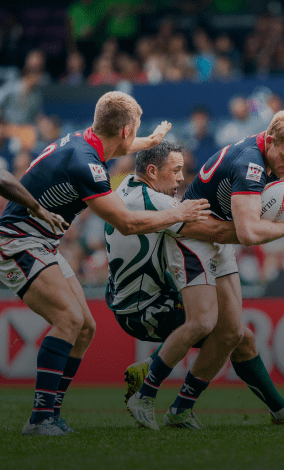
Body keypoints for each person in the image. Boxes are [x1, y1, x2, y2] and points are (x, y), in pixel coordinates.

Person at [0, 91, 210, 436]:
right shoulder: (87, 163)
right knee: (68, 320)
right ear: (126, 130)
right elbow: (126, 222)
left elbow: (120, 146)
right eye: (135, 130)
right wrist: (179, 213)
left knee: (85, 327)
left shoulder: (89, 142)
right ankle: (39, 419)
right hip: (18, 240)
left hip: (42, 241)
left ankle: (50, 414)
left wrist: (150, 140)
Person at [125, 107, 284, 430]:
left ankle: (181, 408)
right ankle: (145, 393)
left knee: (232, 334)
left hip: (220, 235)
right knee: (202, 321)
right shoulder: (250, 164)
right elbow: (249, 234)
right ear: (270, 140)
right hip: (193, 236)